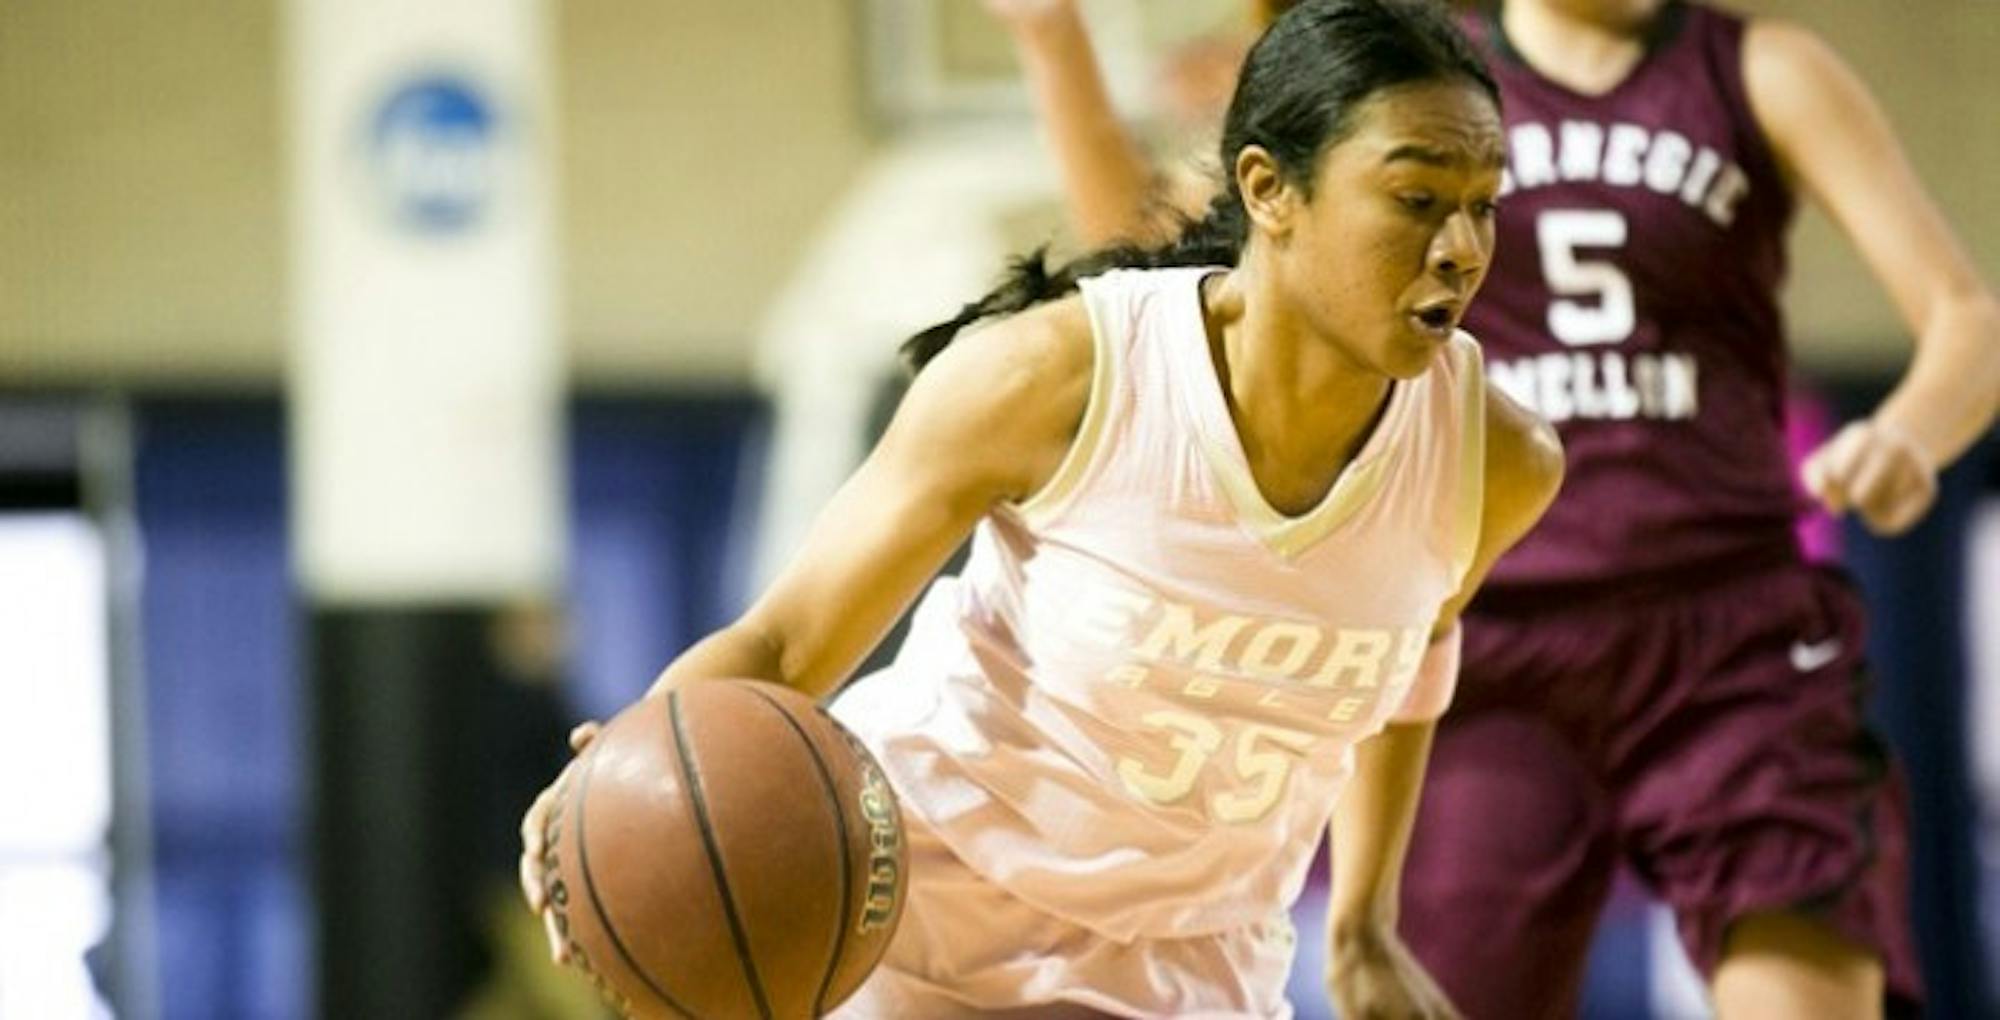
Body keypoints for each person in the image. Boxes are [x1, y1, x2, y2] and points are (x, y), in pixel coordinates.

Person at [520, 2, 1565, 1016]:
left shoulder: (1495, 462)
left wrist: (1362, 927)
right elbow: (786, 646)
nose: (1460, 246)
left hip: (1191, 971)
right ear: (1267, 189)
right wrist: (603, 793)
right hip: (914, 931)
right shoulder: (1056, 378)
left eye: (1482, 202)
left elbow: (1414, 663)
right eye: (1417, 200)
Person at [986, 0, 2000, 1017]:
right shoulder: (1414, 72)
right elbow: (1146, 252)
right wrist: (1052, 40)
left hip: (1730, 637)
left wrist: (1907, 434)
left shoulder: (1760, 70)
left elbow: (1967, 318)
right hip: (1491, 641)